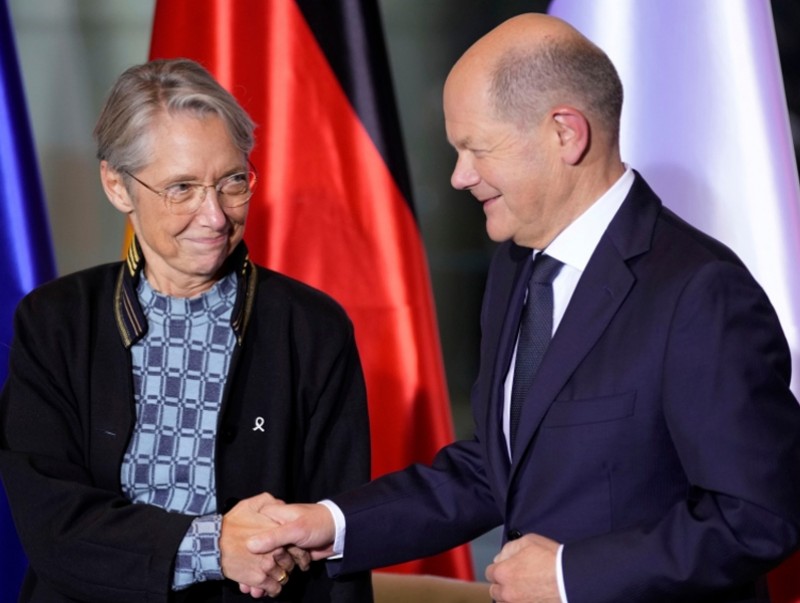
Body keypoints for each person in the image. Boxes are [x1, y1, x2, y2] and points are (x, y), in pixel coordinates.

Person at [242, 13, 800, 603]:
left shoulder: (701, 291)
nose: (459, 177)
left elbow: (759, 516)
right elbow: (498, 467)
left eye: (476, 148)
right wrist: (332, 524)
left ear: (565, 133)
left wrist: (569, 576)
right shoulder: (517, 266)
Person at [0, 58, 372, 602]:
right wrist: (213, 546)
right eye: (182, 188)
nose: (215, 216)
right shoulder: (55, 322)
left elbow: (337, 538)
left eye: (233, 181)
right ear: (117, 186)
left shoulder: (312, 329)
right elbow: (53, 526)